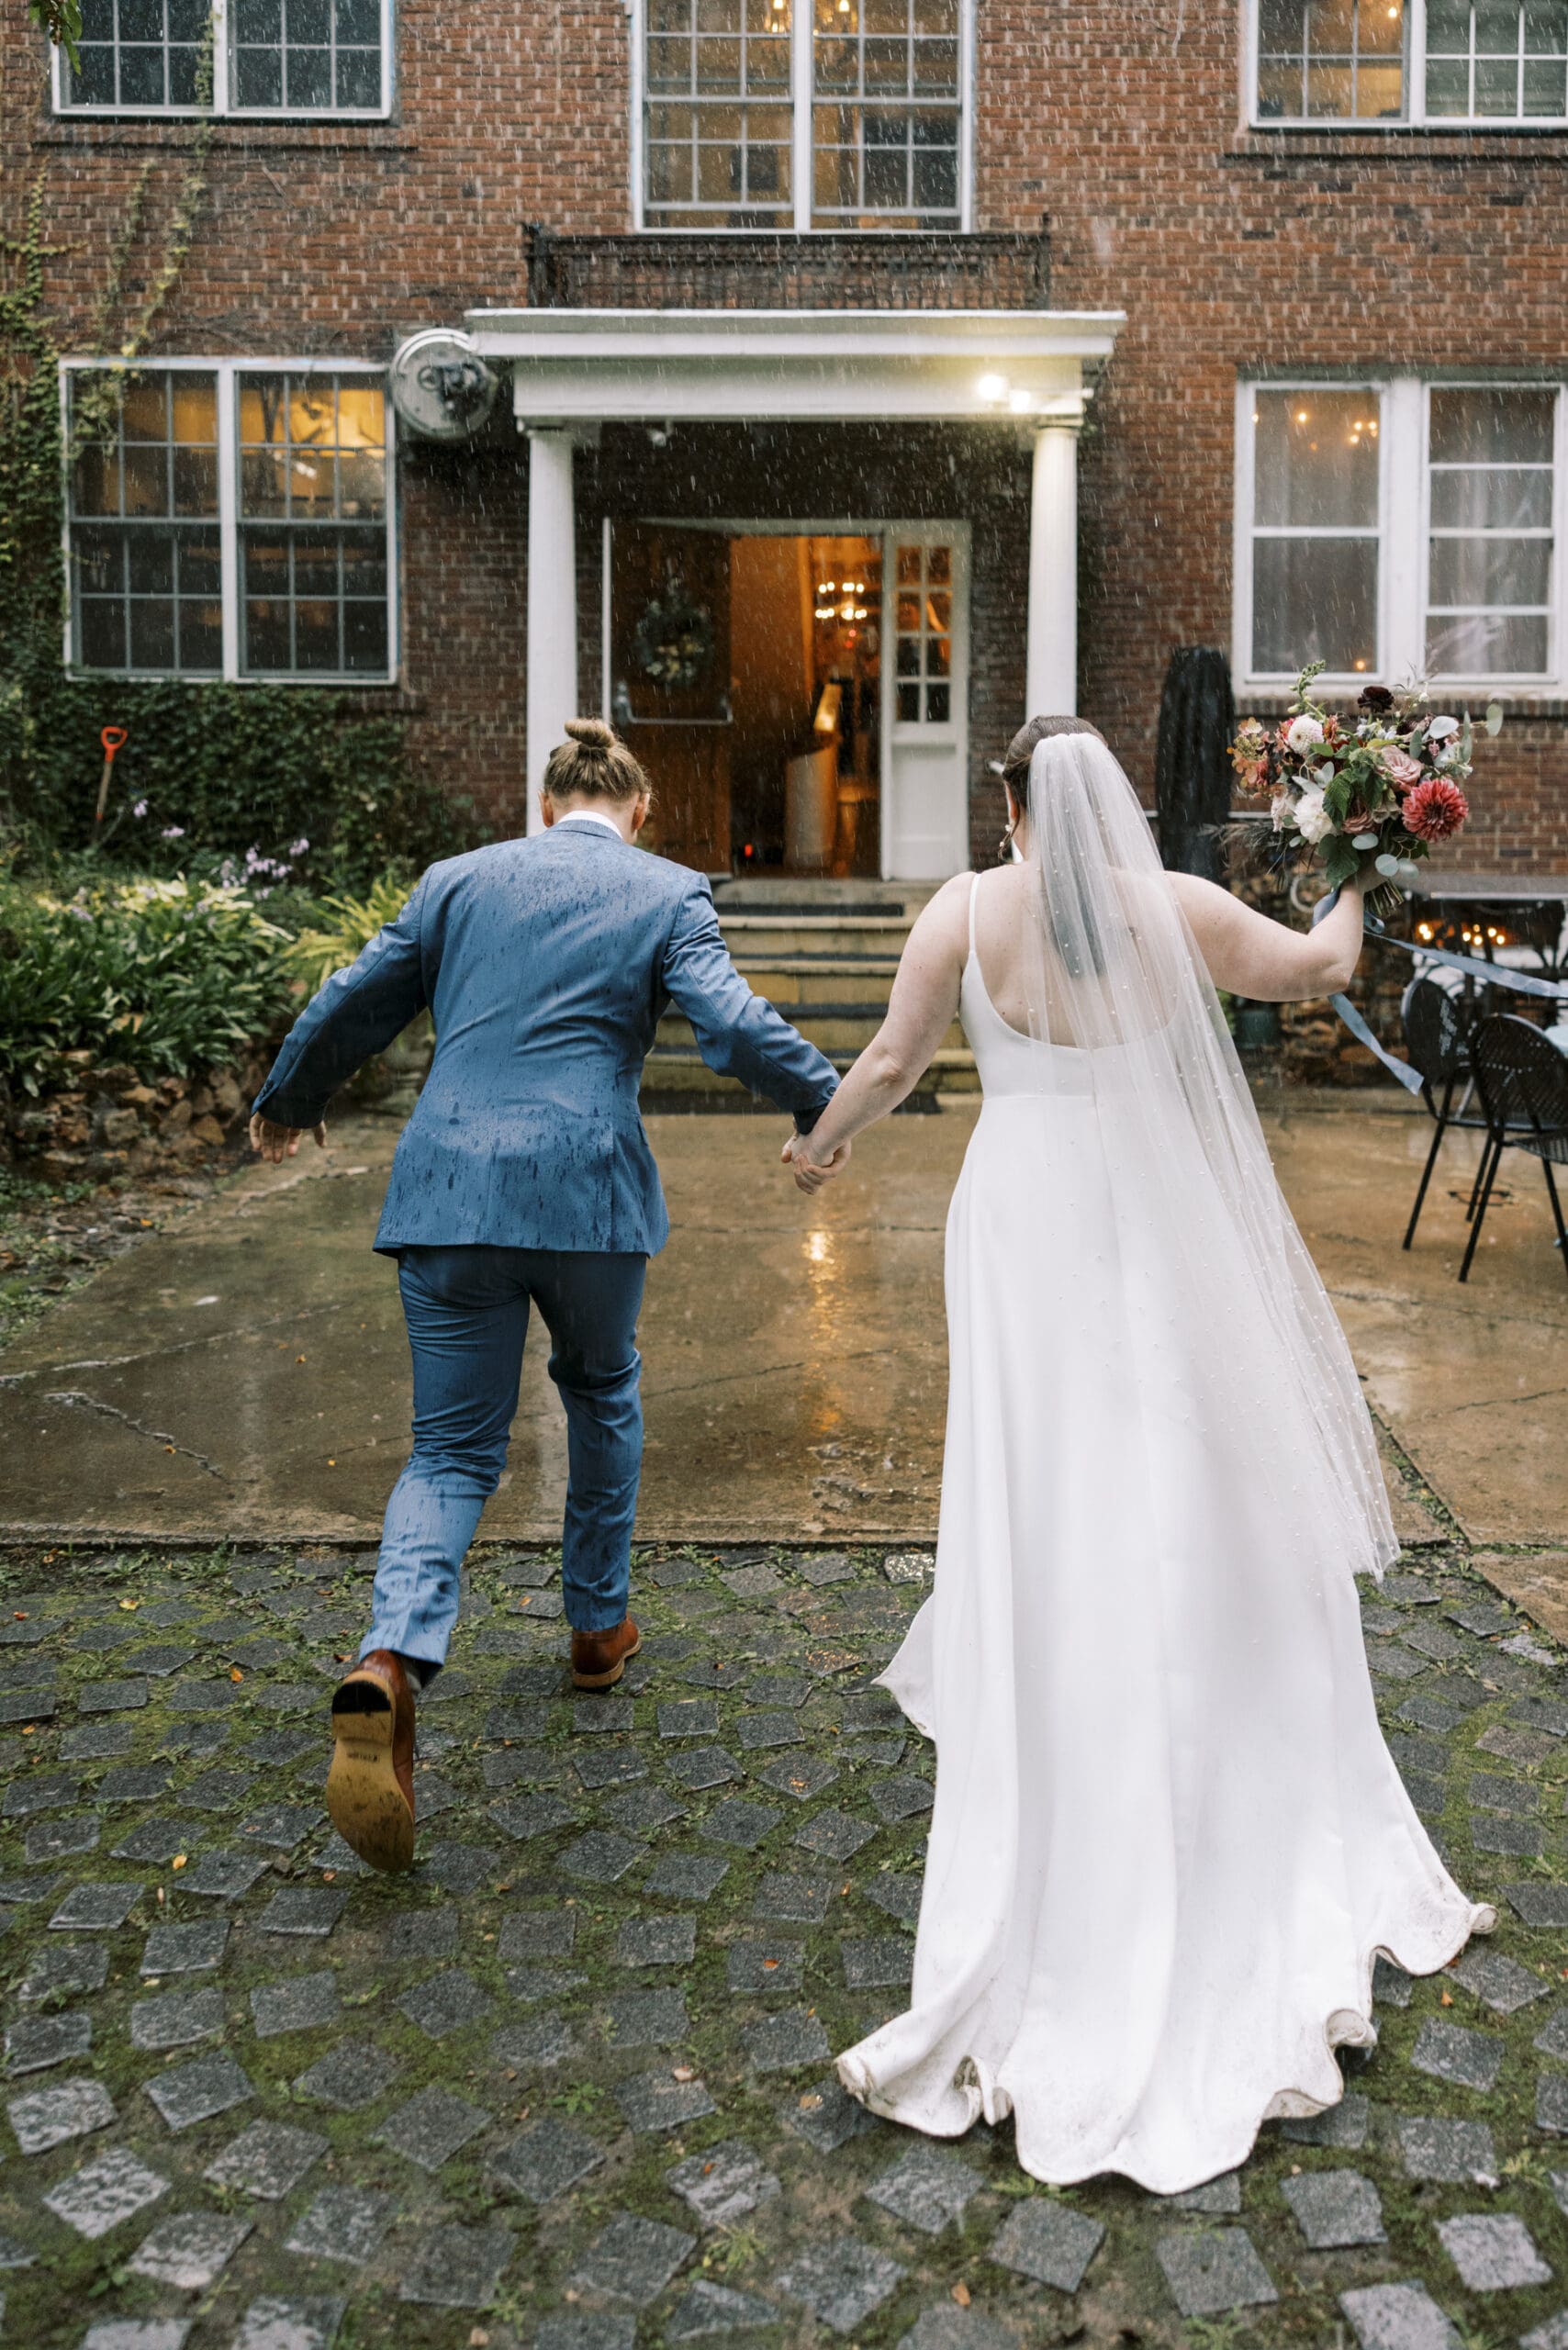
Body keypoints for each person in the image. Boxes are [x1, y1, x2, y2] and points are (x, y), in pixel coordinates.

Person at [785, 714, 1493, 2193]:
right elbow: (1320, 968)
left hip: (1026, 1215)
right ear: (1106, 807)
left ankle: (1059, 1659)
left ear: (1011, 810)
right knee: (1175, 1457)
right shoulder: (1174, 912)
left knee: (1049, 1465)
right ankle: (1200, 1674)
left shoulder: (965, 914)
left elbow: (899, 1061)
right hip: (1152, 1218)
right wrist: (1358, 858)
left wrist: (822, 1142)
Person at [249, 719, 842, 1874]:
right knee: (602, 1392)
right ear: (640, 806)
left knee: (450, 1455)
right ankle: (594, 1630)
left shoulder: (456, 883)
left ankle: (391, 1658)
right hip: (587, 1198)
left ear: (541, 803)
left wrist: (288, 1095)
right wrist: (822, 1101)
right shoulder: (669, 891)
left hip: (451, 1191)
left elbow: (354, 999)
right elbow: (727, 1020)